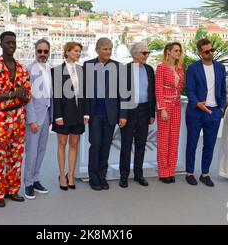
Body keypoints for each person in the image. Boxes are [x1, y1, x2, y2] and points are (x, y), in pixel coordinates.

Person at [0, 31, 31, 207]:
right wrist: (14, 94)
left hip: (19, 117)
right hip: (1, 119)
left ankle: (12, 190)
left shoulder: (21, 69)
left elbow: (27, 94)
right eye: (8, 43)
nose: (11, 45)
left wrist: (18, 96)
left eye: (13, 42)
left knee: (16, 156)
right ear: (1, 44)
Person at [84, 37, 125, 191]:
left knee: (106, 146)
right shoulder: (88, 66)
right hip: (94, 114)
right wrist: (85, 113)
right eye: (105, 49)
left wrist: (123, 115)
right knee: (95, 145)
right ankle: (93, 177)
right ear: (97, 50)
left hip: (111, 114)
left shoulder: (118, 67)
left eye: (110, 49)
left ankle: (102, 176)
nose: (108, 52)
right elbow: (84, 93)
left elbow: (123, 93)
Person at [185, 38, 226, 187]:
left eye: (212, 50)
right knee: (192, 143)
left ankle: (205, 173)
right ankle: (189, 173)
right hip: (196, 112)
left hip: (214, 112)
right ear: (200, 53)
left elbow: (222, 89)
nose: (210, 53)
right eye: (207, 51)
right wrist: (197, 103)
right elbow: (189, 89)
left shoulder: (220, 68)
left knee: (209, 144)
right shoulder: (192, 68)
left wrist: (221, 108)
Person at [52, 42, 89, 191]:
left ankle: (71, 175)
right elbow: (56, 96)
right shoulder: (56, 71)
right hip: (63, 114)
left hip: (79, 114)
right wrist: (58, 115)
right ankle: (61, 175)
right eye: (75, 51)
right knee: (62, 144)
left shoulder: (82, 70)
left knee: (74, 144)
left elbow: (86, 94)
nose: (78, 54)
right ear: (67, 52)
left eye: (79, 51)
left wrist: (86, 112)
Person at [118, 43, 155, 188]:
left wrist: (152, 114)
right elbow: (120, 94)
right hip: (128, 111)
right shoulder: (125, 70)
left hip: (145, 111)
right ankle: (124, 176)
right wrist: (122, 115)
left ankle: (138, 175)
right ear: (135, 54)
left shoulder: (149, 69)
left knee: (141, 144)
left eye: (148, 53)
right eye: (144, 53)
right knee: (126, 145)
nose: (147, 56)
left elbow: (152, 94)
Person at [23, 39, 52, 199]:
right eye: (39, 51)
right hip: (34, 117)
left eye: (45, 51)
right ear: (35, 51)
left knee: (41, 150)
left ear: (49, 52)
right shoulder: (29, 70)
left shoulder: (49, 68)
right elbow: (27, 98)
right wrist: (32, 120)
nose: (42, 54)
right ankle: (28, 183)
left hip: (47, 115)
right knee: (31, 151)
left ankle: (36, 179)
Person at [155, 42, 184, 184]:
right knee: (163, 140)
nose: (178, 53)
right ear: (168, 51)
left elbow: (179, 88)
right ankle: (163, 171)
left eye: (179, 51)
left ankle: (171, 170)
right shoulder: (161, 67)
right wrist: (162, 108)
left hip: (177, 105)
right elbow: (158, 89)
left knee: (174, 139)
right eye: (176, 50)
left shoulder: (179, 68)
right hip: (165, 107)